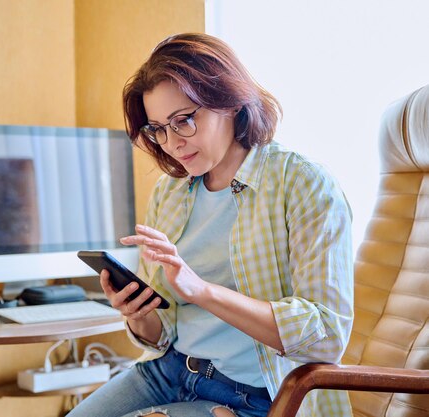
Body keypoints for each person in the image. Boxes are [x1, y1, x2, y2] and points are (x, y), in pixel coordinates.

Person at [68, 33, 354, 417]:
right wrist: (139, 314)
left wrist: (203, 291)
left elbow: (327, 335)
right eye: (159, 129)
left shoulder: (303, 184)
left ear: (230, 102)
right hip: (171, 372)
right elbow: (161, 334)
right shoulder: (169, 193)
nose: (172, 143)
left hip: (257, 394)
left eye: (184, 120)